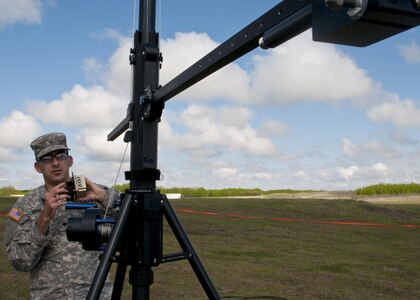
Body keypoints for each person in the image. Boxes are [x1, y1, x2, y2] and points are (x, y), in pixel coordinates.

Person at [3, 132, 119, 299]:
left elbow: (135, 216)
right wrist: (44, 218)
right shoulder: (25, 206)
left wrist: (102, 196)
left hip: (95, 294)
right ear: (37, 167)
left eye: (61, 155)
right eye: (47, 158)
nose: (55, 162)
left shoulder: (95, 192)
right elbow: (20, 262)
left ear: (70, 160)